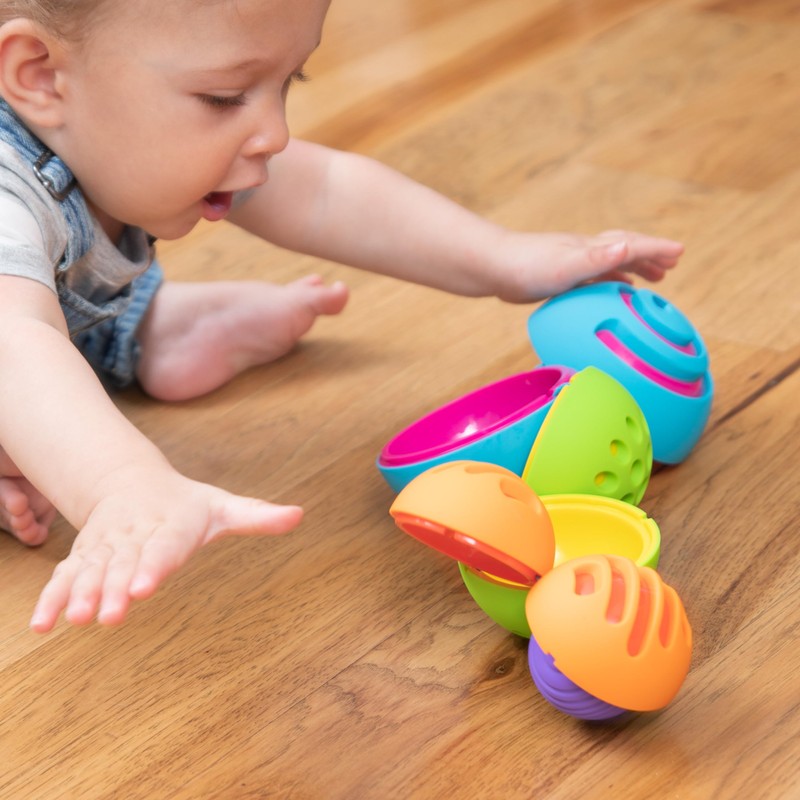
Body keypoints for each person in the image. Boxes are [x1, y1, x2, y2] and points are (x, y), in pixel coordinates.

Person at [0, 0, 683, 633]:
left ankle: (138, 329)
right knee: (32, 385)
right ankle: (105, 364)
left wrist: (504, 258)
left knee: (46, 384)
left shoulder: (121, 122)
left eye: (288, 82)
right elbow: (16, 341)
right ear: (39, 76)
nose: (274, 132)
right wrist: (120, 486)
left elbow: (325, 192)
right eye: (225, 97)